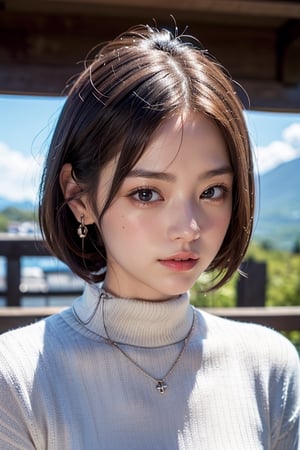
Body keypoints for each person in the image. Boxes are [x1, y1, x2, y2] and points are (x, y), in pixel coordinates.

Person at [0, 23, 299, 450]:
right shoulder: (15, 380)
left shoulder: (270, 368)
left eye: (212, 191)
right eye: (146, 193)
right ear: (78, 197)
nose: (188, 228)